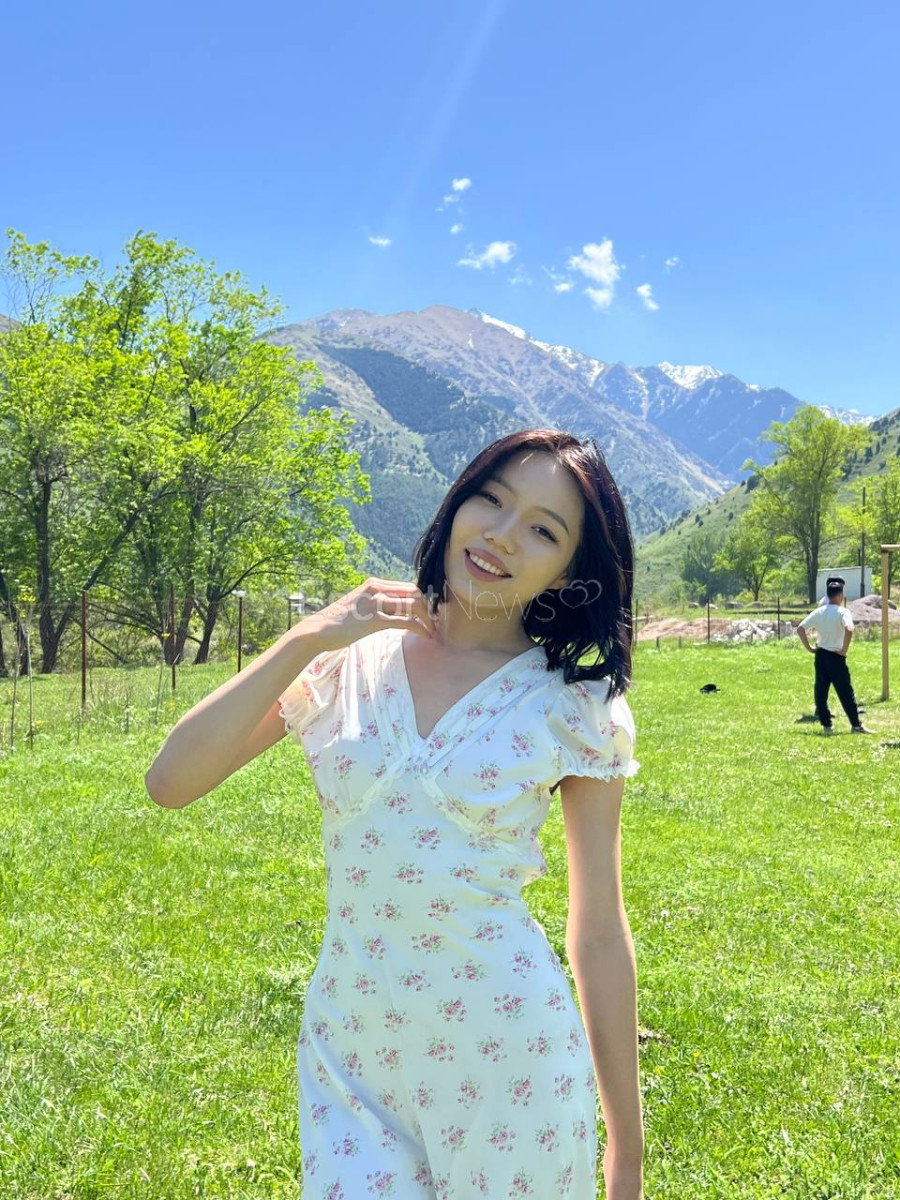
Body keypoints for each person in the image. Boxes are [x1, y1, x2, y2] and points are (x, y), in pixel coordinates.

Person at [147, 428, 644, 1200]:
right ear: (457, 502)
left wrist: (627, 1152)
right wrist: (308, 635)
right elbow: (172, 781)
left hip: (508, 1064)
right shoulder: (344, 664)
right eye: (491, 500)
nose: (501, 535)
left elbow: (601, 931)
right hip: (353, 1056)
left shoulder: (574, 709)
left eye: (543, 530)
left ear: (571, 572)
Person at [796, 576, 872, 735]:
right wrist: (844, 650)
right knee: (846, 692)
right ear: (840, 595)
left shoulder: (819, 611)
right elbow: (849, 629)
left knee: (821, 692)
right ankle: (856, 725)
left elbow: (800, 628)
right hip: (836, 657)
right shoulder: (842, 612)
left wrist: (809, 648)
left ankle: (827, 726)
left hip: (821, 655)